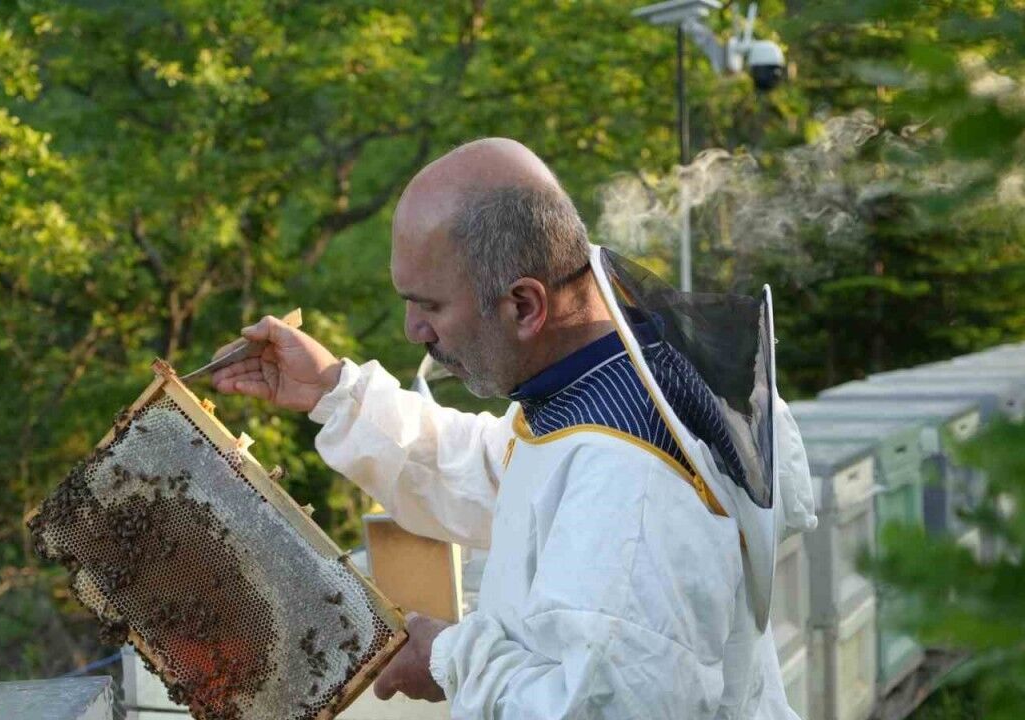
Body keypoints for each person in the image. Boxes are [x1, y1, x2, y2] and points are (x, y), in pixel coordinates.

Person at [213, 138, 816, 719]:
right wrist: (336, 392)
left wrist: (448, 660)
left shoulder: (629, 485)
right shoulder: (605, 379)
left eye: (429, 305)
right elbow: (503, 478)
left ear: (525, 305)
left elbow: (607, 710)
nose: (412, 329)